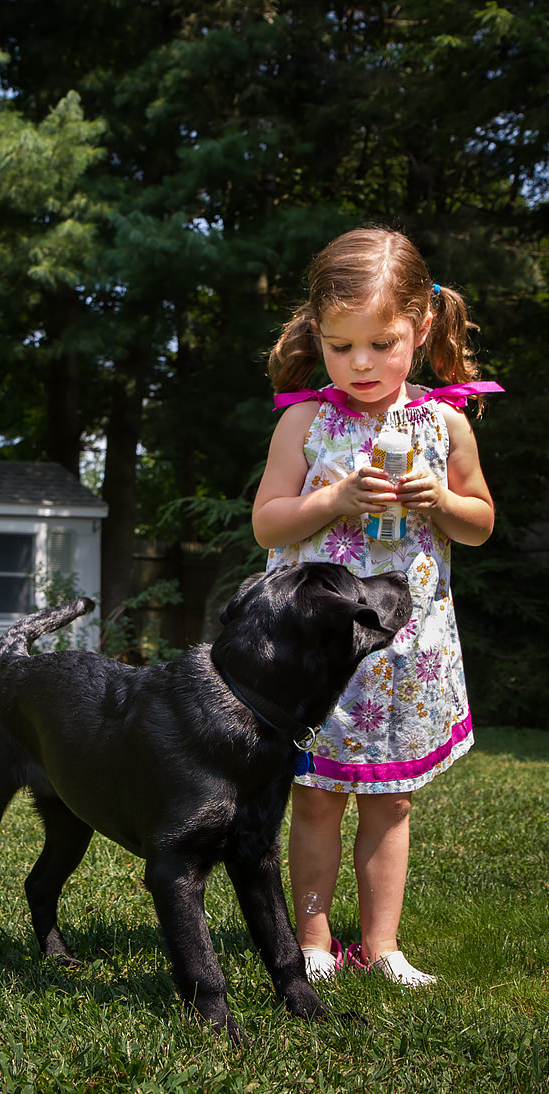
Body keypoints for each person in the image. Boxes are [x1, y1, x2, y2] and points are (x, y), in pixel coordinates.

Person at [251, 227, 501, 986]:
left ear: (419, 329)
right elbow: (268, 523)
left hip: (406, 655)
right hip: (318, 653)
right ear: (317, 337)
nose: (360, 363)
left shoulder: (445, 422)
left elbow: (480, 523)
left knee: (391, 805)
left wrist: (442, 501)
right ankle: (315, 941)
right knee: (316, 799)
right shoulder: (305, 422)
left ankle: (382, 946)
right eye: (340, 346)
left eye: (380, 344)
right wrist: (331, 501)